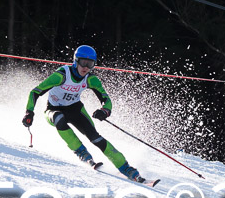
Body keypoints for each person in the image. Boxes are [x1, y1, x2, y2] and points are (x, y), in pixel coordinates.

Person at [21, 45, 144, 182]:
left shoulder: (91, 79)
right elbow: (35, 92)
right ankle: (81, 152)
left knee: (95, 138)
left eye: (90, 64)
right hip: (53, 110)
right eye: (83, 62)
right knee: (59, 119)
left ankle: (126, 168)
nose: (85, 67)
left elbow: (106, 99)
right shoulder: (61, 75)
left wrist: (104, 111)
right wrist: (29, 112)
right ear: (76, 61)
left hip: (75, 109)